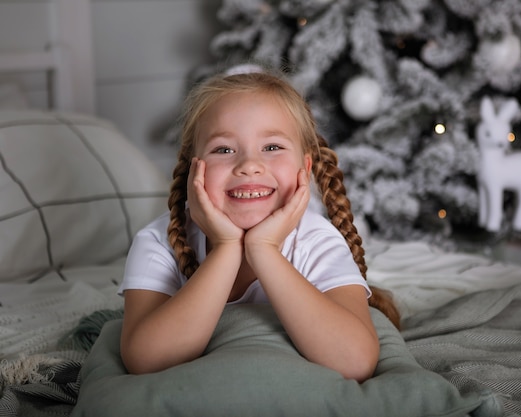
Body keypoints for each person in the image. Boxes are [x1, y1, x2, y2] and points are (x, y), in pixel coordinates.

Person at [118, 69, 400, 382]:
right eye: (224, 149)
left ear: (304, 169)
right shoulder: (158, 242)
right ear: (193, 169)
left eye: (272, 147)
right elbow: (146, 360)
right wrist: (226, 249)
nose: (250, 165)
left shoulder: (316, 240)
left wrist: (263, 250)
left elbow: (354, 361)